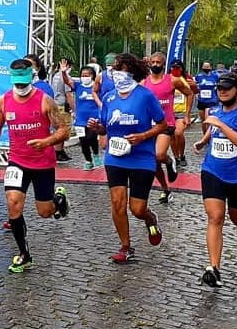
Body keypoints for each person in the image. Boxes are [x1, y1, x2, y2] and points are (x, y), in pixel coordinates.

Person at [0, 59, 71, 274]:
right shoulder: (4, 100)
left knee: (44, 212)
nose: (20, 88)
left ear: (31, 78)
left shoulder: (45, 101)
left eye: (24, 83)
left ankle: (58, 200)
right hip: (17, 161)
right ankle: (24, 254)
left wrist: (46, 142)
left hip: (43, 163)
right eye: (17, 84)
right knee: (13, 203)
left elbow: (64, 129)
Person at [87, 53, 167, 264]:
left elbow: (162, 125)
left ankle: (150, 219)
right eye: (113, 69)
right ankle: (125, 246)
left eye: (118, 69)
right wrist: (98, 128)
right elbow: (106, 126)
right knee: (117, 203)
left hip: (141, 158)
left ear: (131, 72)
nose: (113, 73)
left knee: (137, 208)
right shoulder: (109, 97)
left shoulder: (145, 96)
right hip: (115, 157)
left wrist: (143, 136)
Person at [192, 73, 237, 288]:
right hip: (213, 171)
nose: (222, 92)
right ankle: (214, 268)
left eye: (227, 88)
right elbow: (213, 130)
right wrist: (202, 142)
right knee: (215, 217)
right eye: (220, 88)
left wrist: (220, 124)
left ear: (236, 90)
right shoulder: (216, 112)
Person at [143, 51, 193, 202]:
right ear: (149, 64)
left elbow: (189, 94)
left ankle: (170, 161)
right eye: (153, 62)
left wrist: (186, 114)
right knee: (154, 161)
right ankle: (165, 189)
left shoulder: (173, 80)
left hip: (166, 124)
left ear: (164, 64)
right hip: (149, 125)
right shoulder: (144, 83)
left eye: (158, 62)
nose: (155, 65)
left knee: (159, 155)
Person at [69, 64, 103, 170]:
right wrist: (63, 72)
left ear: (92, 75)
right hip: (80, 120)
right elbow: (68, 82)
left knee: (91, 137)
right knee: (83, 141)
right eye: (83, 75)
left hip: (94, 118)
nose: (85, 77)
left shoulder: (97, 86)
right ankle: (88, 161)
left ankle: (96, 154)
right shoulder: (78, 86)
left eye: (87, 75)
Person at [170, 59, 197, 167]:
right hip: (169, 112)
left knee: (178, 133)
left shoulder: (187, 79)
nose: (175, 69)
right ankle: (176, 157)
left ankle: (182, 155)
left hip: (182, 112)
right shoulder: (167, 79)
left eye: (178, 67)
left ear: (182, 69)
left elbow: (193, 93)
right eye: (173, 67)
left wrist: (187, 114)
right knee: (171, 136)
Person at [49, 58, 75, 162]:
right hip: (63, 105)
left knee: (58, 129)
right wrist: (75, 109)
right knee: (63, 129)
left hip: (55, 104)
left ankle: (60, 151)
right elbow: (69, 95)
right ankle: (58, 152)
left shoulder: (55, 76)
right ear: (68, 66)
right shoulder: (66, 77)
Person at [194, 61, 220, 134]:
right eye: (204, 67)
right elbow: (194, 85)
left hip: (211, 101)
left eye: (207, 67)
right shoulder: (198, 76)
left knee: (208, 119)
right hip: (201, 101)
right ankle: (204, 137)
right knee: (203, 121)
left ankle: (209, 138)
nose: (206, 68)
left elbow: (219, 86)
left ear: (211, 68)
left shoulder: (215, 76)